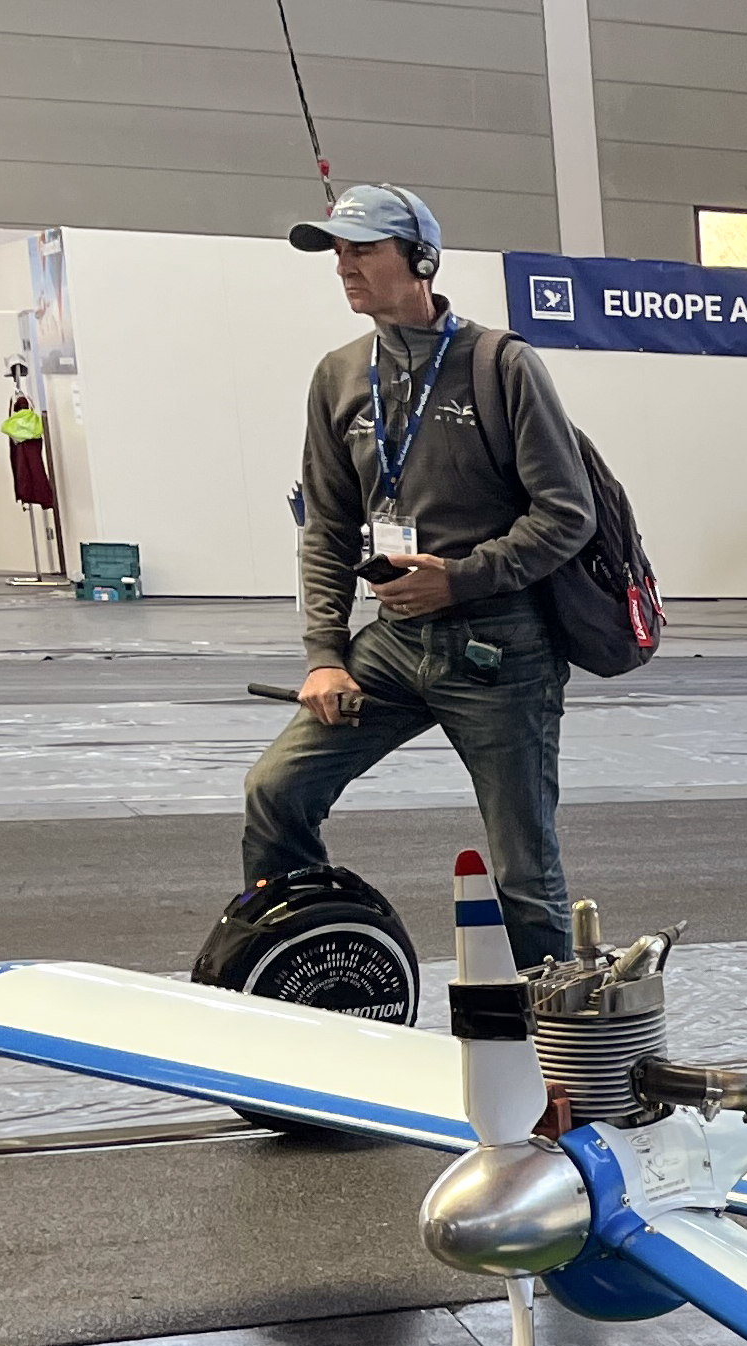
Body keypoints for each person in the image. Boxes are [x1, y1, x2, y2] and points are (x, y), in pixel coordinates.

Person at [247, 183, 597, 968]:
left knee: (523, 871)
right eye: (337, 252)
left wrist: (462, 579)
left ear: (422, 259)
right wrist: (325, 654)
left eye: (362, 249)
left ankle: (555, 1067)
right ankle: (296, 974)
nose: (344, 267)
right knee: (276, 791)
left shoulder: (502, 365)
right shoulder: (339, 375)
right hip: (392, 647)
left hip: (501, 652)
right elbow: (328, 526)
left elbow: (567, 515)